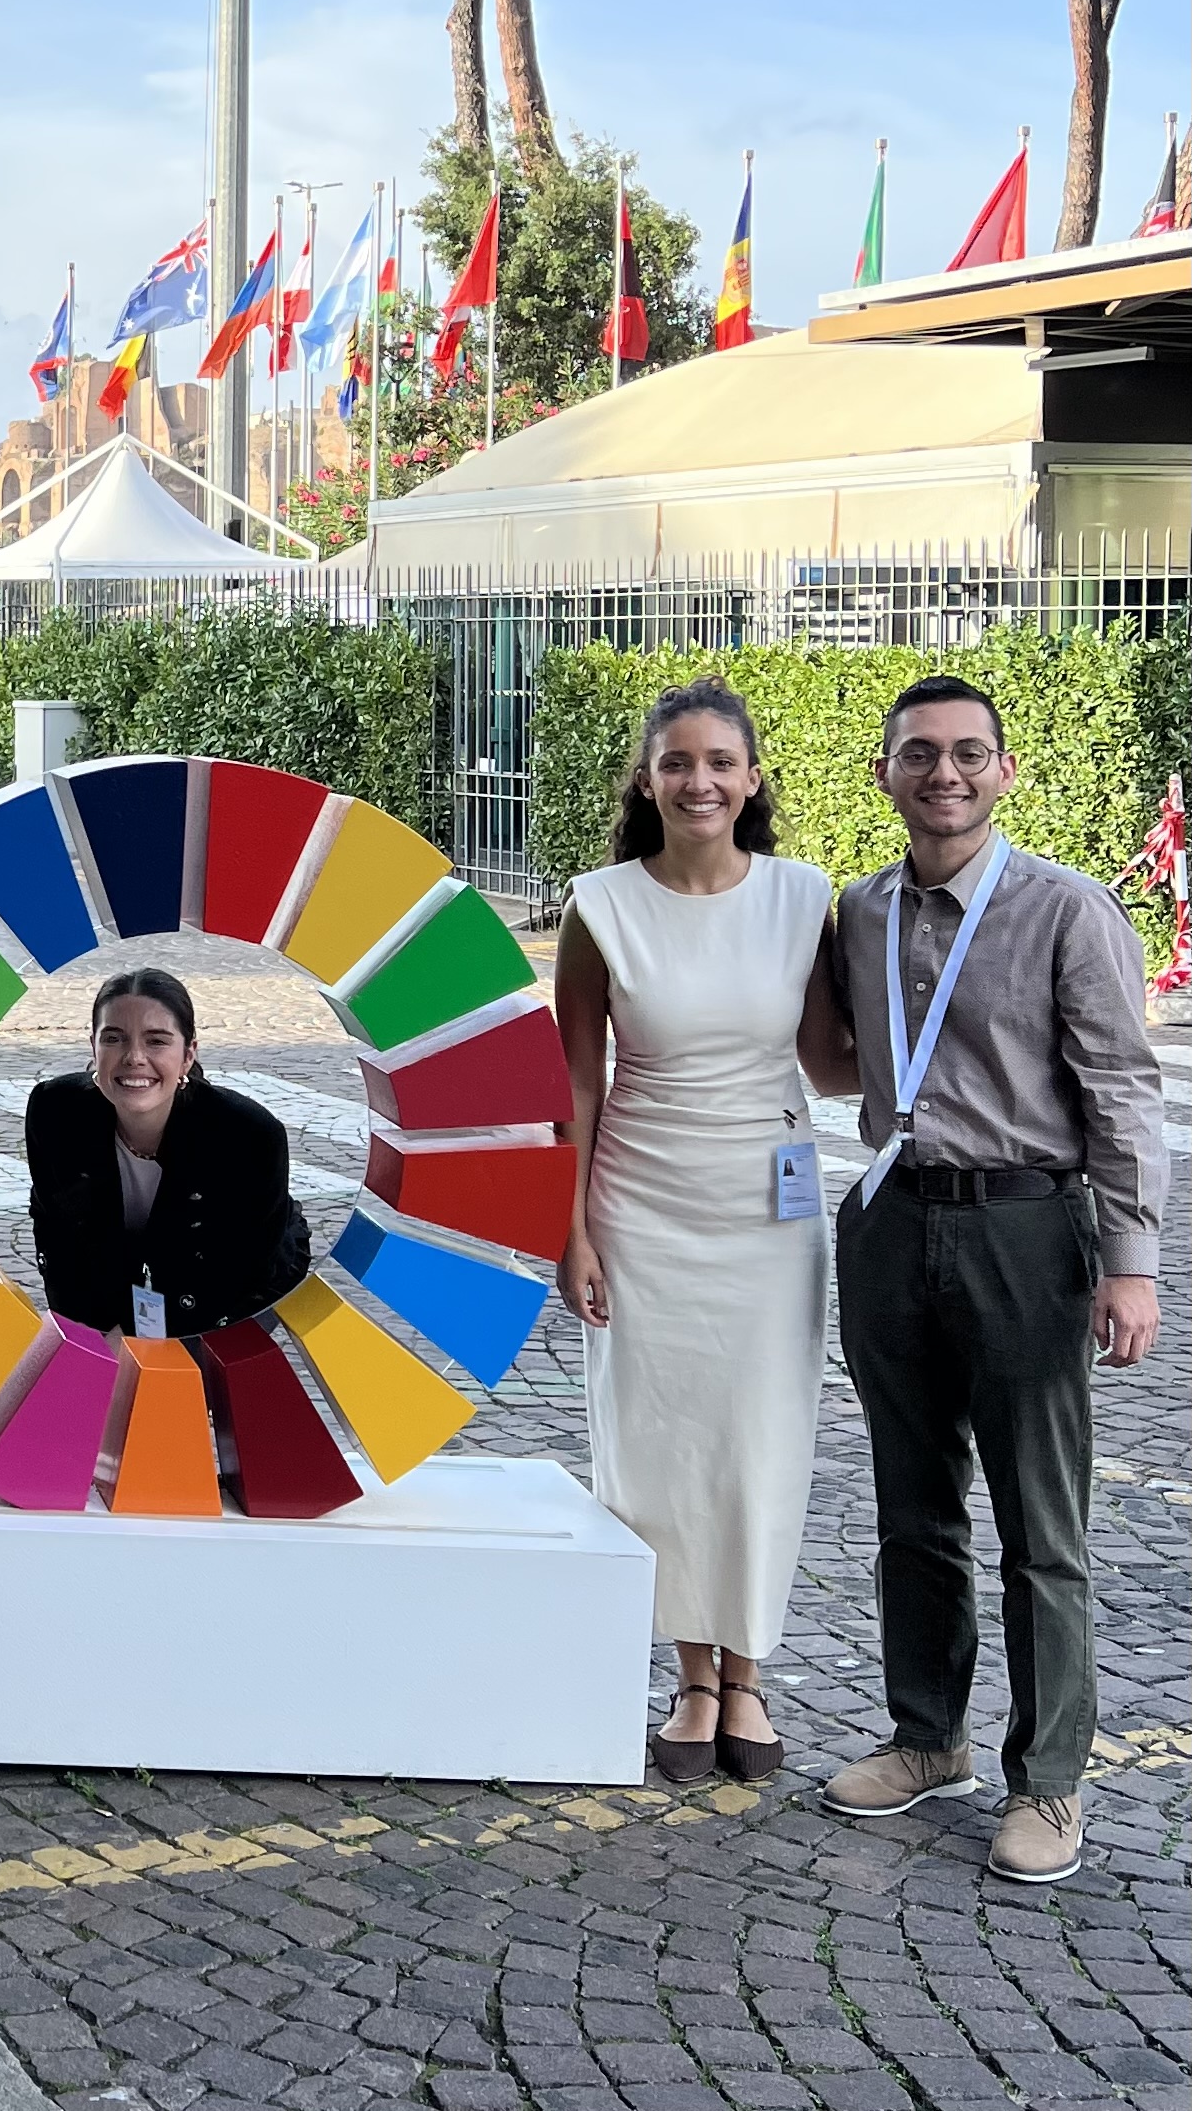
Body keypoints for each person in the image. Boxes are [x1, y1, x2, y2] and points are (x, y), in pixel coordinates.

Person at [817, 674, 1163, 1885]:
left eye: (969, 754)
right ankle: (928, 1737)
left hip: (1027, 1229)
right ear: (885, 775)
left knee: (1040, 1522)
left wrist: (1130, 1263)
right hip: (893, 1223)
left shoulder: (1065, 909)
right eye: (920, 754)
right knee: (911, 1505)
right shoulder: (859, 912)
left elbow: (1123, 1087)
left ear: (1004, 771)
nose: (945, 774)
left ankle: (1049, 1783)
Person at [556, 680, 847, 1784]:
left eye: (721, 762)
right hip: (642, 1202)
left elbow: (829, 1058)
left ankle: (749, 1677)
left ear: (753, 777)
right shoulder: (601, 904)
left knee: (759, 1441)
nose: (700, 781)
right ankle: (689, 1677)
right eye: (677, 762)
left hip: (767, 1214)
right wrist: (572, 1225)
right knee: (660, 1441)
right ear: (647, 779)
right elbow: (577, 1078)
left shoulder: (800, 897)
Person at [23, 969, 308, 1341]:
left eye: (157, 1041)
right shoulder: (54, 1111)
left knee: (193, 1384)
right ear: (93, 1047)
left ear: (188, 1055)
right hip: (118, 1273)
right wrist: (92, 1338)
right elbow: (58, 1236)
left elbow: (241, 1270)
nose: (134, 1057)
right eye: (114, 1038)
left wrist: (143, 1338)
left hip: (235, 1288)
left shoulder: (248, 1135)